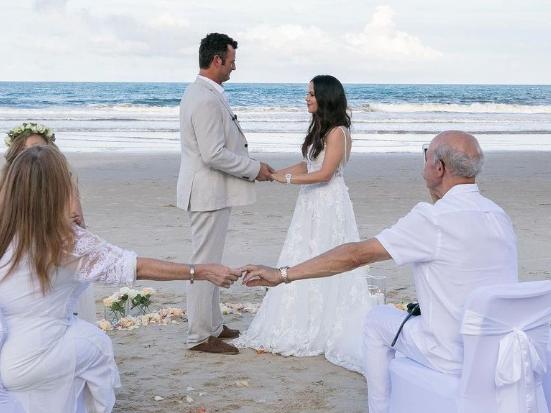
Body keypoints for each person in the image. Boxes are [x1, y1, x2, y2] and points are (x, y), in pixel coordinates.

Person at [239, 131, 518, 413]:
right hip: (497, 351)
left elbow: (355, 255)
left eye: (426, 155)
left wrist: (282, 274)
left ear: (439, 168)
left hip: (450, 353)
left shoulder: (432, 219)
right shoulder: (498, 215)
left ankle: (380, 408)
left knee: (375, 320)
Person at [0, 146, 240, 412]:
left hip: (8, 358)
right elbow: (135, 267)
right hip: (43, 353)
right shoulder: (64, 242)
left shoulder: (6, 235)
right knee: (98, 348)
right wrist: (201, 270)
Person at [234, 75, 373, 372]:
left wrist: (285, 180)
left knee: (323, 252)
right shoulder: (320, 129)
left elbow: (324, 174)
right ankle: (303, 316)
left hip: (327, 202)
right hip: (310, 201)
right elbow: (307, 165)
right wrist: (273, 174)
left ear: (326, 97)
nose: (306, 98)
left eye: (311, 94)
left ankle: (322, 324)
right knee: (304, 252)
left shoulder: (338, 132)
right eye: (307, 93)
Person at [177, 32, 273, 354]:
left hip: (211, 193)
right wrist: (253, 168)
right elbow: (213, 154)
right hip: (206, 194)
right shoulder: (203, 98)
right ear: (217, 60)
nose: (234, 67)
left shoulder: (205, 93)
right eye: (232, 61)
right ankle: (199, 336)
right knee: (204, 264)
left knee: (211, 262)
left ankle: (214, 325)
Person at [2, 122, 96, 323]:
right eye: (26, 150)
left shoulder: (65, 182)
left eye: (40, 148)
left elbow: (79, 228)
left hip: (55, 259)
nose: (34, 154)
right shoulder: (6, 187)